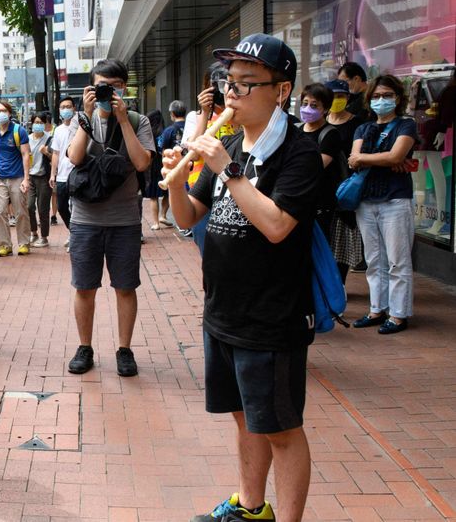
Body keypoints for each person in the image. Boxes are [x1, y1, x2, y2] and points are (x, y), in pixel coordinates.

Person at [164, 34, 321, 522]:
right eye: (228, 84)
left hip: (272, 317)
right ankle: (251, 507)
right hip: (223, 310)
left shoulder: (298, 152)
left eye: (246, 85)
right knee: (244, 418)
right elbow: (191, 216)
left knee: (281, 428)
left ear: (281, 90)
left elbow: (277, 226)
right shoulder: (229, 141)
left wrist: (228, 169)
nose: (231, 95)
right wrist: (173, 180)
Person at [65, 59, 154, 376]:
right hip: (86, 220)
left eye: (115, 86)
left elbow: (143, 163)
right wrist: (87, 115)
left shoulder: (137, 120)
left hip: (125, 220)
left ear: (124, 88)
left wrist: (123, 120)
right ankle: (84, 347)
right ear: (91, 87)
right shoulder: (81, 119)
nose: (108, 91)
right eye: (102, 85)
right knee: (84, 287)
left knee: (125, 288)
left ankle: (124, 350)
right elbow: (75, 158)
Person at [349, 74, 418, 335]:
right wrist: (384, 159)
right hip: (366, 201)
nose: (382, 100)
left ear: (398, 98)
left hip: (396, 200)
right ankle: (377, 309)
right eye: (376, 96)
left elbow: (397, 155)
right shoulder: (363, 128)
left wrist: (369, 158)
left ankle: (398, 315)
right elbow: (354, 159)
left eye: (387, 95)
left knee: (398, 261)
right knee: (374, 259)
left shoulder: (406, 125)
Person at [183, 63, 240, 250]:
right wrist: (205, 112)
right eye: (214, 85)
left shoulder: (239, 114)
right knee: (208, 251)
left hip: (235, 193)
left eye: (228, 84)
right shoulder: (196, 116)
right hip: (204, 194)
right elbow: (194, 151)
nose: (221, 91)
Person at [298, 83, 352, 281]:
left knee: (321, 253)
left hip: (322, 205)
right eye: (305, 103)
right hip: (298, 201)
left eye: (314, 105)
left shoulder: (330, 134)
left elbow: (316, 167)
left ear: (325, 109)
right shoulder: (295, 130)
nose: (308, 109)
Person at [0, 100, 31, 256]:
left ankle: (24, 243)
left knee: (21, 211)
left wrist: (26, 179)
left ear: (9, 113)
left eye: (3, 111)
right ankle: (5, 245)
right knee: (0, 212)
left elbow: (26, 155)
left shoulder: (18, 131)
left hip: (17, 177)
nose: (0, 114)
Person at [49, 96, 77, 249]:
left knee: (76, 206)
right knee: (61, 207)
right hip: (61, 176)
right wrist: (53, 174)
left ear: (74, 108)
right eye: (63, 107)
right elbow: (55, 153)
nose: (66, 109)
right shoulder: (58, 130)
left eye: (68, 106)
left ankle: (76, 236)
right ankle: (74, 232)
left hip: (77, 173)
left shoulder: (80, 126)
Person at [27, 112, 53, 247]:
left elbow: (55, 158)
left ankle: (44, 237)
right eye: (35, 122)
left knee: (43, 208)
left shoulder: (49, 139)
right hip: (30, 177)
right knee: (29, 206)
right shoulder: (27, 139)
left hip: (44, 177)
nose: (38, 125)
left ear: (45, 124)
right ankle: (33, 233)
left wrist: (46, 153)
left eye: (40, 122)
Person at [143, 108, 168, 231]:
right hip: (165, 165)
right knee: (167, 192)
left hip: (152, 166)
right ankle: (163, 215)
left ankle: (156, 223)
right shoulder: (165, 132)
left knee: (153, 196)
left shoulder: (148, 133)